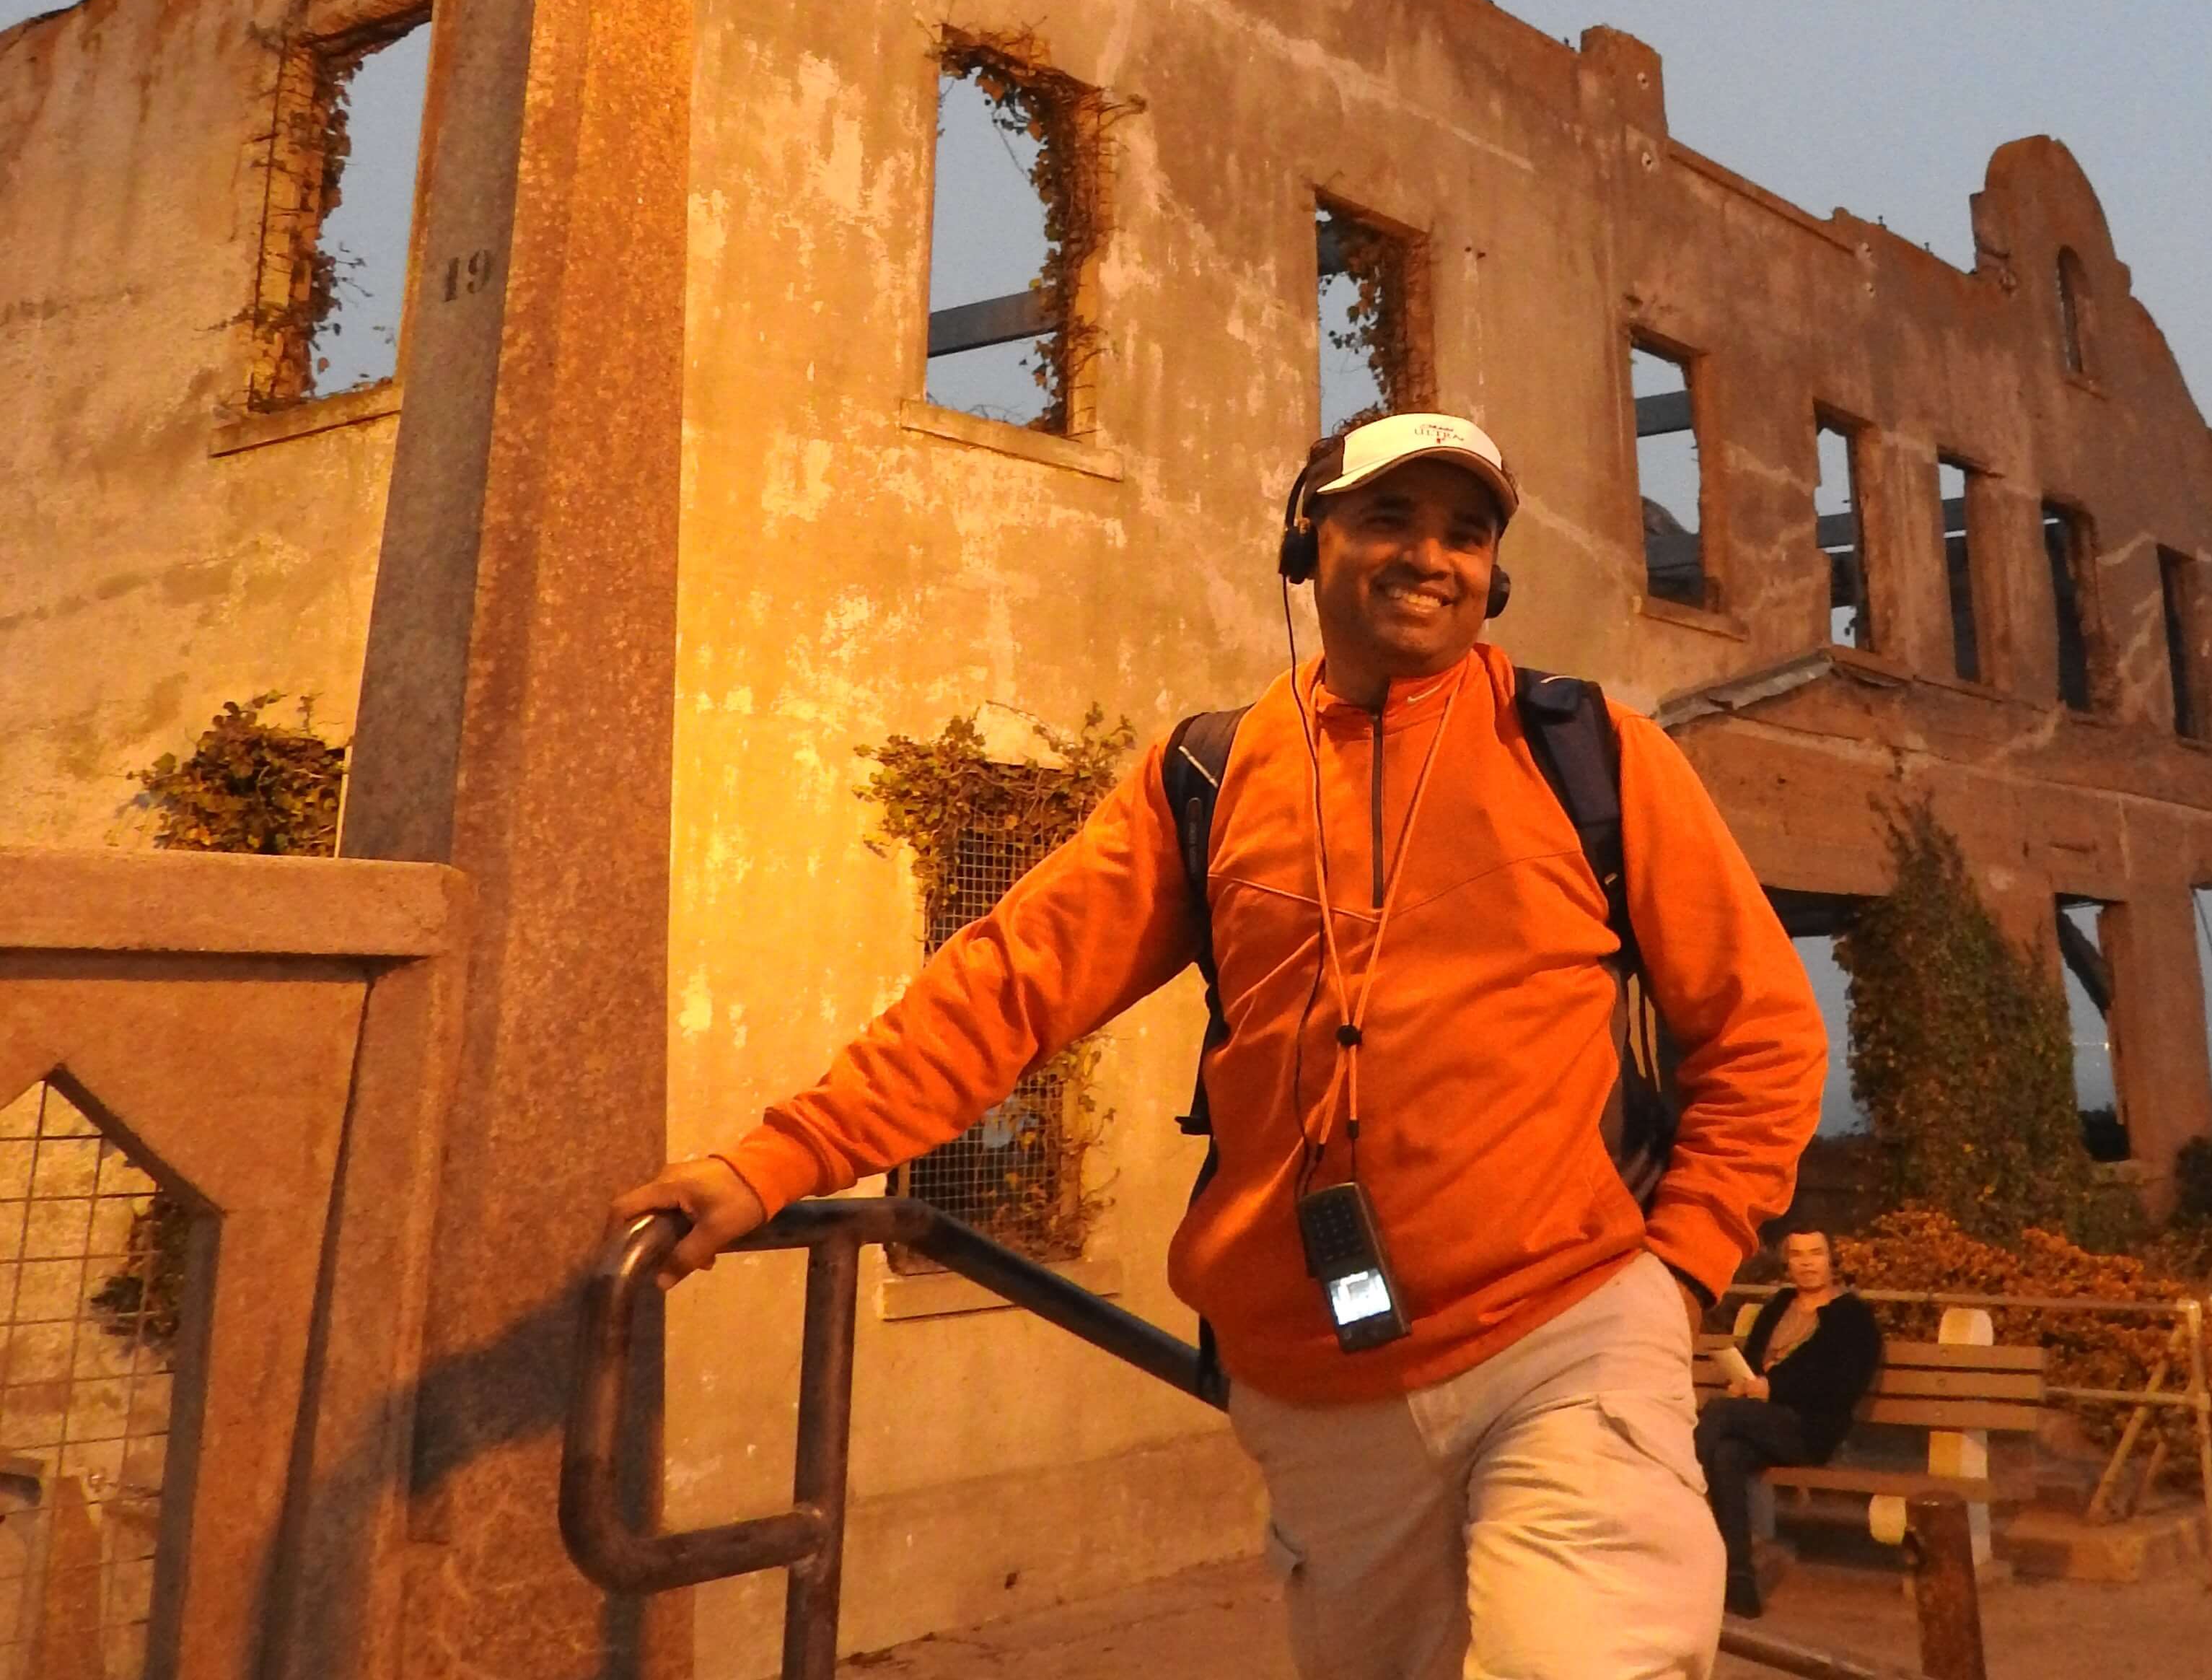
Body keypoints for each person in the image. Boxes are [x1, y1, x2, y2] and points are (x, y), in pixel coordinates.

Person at [615, 408, 1827, 1680]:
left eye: (1464, 534)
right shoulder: (1208, 774)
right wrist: (775, 1161)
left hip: (1567, 1338)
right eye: (1390, 519)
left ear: (1492, 572)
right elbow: (1007, 987)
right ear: (1308, 545)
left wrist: (1677, 1268)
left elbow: (1759, 1032)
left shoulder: (1589, 753)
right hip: (1318, 1386)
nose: (1431, 557)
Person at [1690, 1228, 1883, 1619]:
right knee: (1727, 1455)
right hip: (1763, 1422)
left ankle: (1677, 1502)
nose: (1807, 1263)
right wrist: (1745, 1382)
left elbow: (1842, 1386)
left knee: (1719, 1413)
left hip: (1810, 1429)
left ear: (1831, 1261)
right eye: (1798, 1255)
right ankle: (1739, 1582)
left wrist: (1773, 1388)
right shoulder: (1778, 1306)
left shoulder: (1853, 1318)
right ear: (1787, 1263)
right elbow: (1753, 1360)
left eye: (1816, 1253)